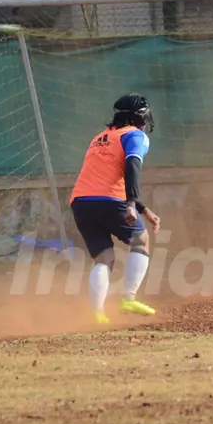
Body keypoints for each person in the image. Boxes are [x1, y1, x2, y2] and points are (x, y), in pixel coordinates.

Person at [69, 93, 162, 325]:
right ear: (141, 117)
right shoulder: (135, 135)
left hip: (80, 202)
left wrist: (142, 208)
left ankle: (97, 313)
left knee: (103, 257)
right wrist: (130, 204)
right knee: (141, 240)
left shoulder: (100, 137)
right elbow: (132, 165)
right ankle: (128, 298)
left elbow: (105, 178)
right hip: (110, 201)